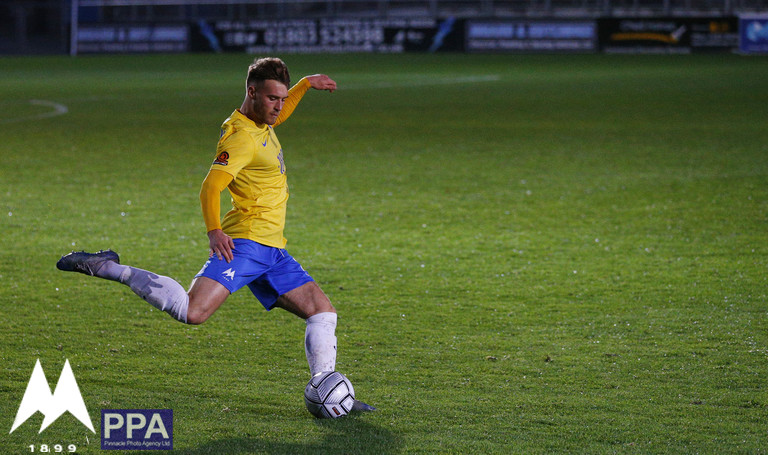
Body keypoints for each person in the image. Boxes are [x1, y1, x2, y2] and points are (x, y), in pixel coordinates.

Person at [57, 57, 373, 413]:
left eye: (282, 99)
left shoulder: (263, 121)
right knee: (192, 312)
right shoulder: (240, 138)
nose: (278, 107)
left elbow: (280, 116)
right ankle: (107, 267)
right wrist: (214, 231)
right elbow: (211, 187)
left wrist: (303, 85)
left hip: (273, 251)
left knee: (323, 312)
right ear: (252, 93)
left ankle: (328, 390)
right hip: (248, 244)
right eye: (273, 99)